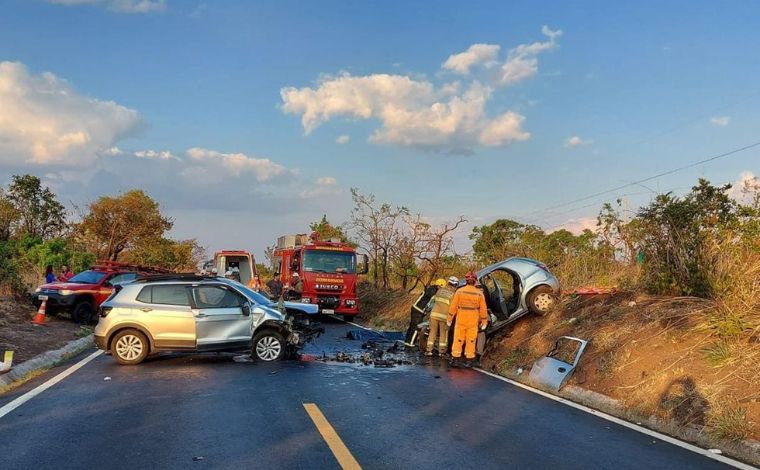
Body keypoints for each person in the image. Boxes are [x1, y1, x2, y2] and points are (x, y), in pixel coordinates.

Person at [448, 271, 488, 368]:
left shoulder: (459, 291)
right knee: (471, 340)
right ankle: (469, 360)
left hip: (461, 318)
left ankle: (455, 360)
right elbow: (483, 309)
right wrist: (484, 321)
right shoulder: (479, 293)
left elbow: (453, 306)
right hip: (473, 319)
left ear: (466, 281)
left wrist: (449, 318)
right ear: (475, 281)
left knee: (458, 339)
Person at [425, 276, 458, 356]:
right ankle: (442, 352)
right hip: (444, 317)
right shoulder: (454, 294)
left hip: (434, 315)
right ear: (456, 284)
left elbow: (433, 302)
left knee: (432, 332)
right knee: (443, 334)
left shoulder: (440, 290)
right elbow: (454, 307)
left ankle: (429, 350)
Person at [404, 282, 439, 346]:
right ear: (439, 286)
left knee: (412, 326)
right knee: (416, 328)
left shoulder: (429, 288)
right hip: (419, 311)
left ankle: (407, 342)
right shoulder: (432, 291)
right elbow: (431, 302)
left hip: (415, 308)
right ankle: (411, 344)